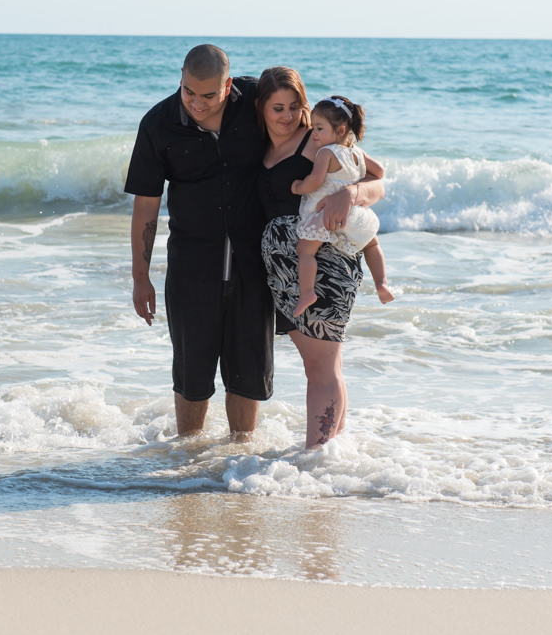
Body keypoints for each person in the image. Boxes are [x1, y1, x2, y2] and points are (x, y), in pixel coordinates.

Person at [124, 45, 273, 441]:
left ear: (228, 85)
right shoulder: (158, 124)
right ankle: (186, 464)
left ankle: (239, 464)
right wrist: (141, 277)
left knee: (247, 374)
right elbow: (146, 208)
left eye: (209, 95)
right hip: (192, 267)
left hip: (254, 266)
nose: (197, 103)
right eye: (189, 92)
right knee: (191, 375)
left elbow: (302, 124)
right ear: (181, 80)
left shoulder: (256, 102)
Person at [256, 68, 386, 448]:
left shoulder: (319, 141)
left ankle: (316, 458)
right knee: (326, 365)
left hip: (325, 262)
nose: (287, 116)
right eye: (277, 107)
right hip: (287, 273)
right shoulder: (255, 143)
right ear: (261, 108)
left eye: (295, 107)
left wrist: (351, 195)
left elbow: (379, 179)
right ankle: (330, 453)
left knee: (322, 367)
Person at [290, 95, 393, 316]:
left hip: (325, 214)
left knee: (305, 250)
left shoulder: (326, 152)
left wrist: (298, 186)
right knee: (371, 245)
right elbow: (380, 172)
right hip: (353, 212)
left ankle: (307, 292)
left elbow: (315, 182)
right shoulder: (357, 152)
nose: (313, 134)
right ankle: (382, 284)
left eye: (319, 128)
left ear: (340, 130)